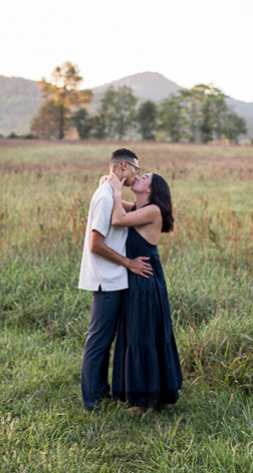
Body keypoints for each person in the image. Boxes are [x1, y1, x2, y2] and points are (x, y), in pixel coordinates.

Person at [78, 148, 154, 411]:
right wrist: (129, 263)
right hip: (106, 279)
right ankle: (91, 401)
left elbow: (138, 213)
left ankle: (100, 391)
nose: (137, 174)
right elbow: (95, 244)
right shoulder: (104, 197)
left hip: (115, 278)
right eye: (137, 168)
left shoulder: (112, 194)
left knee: (106, 339)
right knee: (98, 340)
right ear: (124, 166)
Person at [105, 170, 183, 410]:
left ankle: (143, 399)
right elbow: (116, 205)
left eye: (145, 176)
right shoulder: (140, 209)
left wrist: (117, 190)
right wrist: (109, 185)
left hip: (145, 279)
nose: (139, 177)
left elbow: (117, 219)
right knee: (143, 332)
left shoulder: (152, 211)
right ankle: (155, 394)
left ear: (151, 190)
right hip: (139, 276)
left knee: (142, 333)